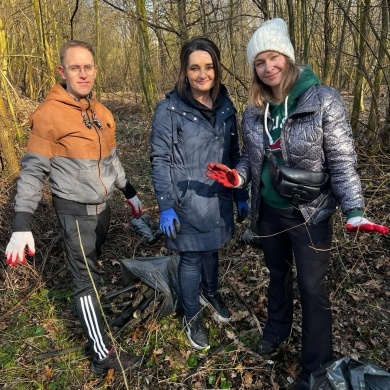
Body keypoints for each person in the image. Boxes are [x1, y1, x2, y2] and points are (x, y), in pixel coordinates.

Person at [206, 18, 388, 390]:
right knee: (277, 274)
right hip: (269, 213)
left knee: (311, 288)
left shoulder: (323, 100)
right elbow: (251, 161)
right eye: (260, 62)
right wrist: (238, 177)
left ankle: (315, 365)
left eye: (273, 58)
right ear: (254, 69)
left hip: (310, 215)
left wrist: (354, 210)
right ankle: (276, 331)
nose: (268, 67)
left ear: (287, 58)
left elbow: (341, 160)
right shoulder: (254, 109)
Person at [5, 40, 144, 375]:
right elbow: (33, 170)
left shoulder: (101, 112)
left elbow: (112, 160)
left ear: (95, 69)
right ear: (62, 71)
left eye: (88, 67)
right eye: (75, 67)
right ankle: (102, 356)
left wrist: (130, 191)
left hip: (102, 209)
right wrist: (21, 224)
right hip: (74, 211)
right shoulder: (49, 115)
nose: (83, 74)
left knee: (92, 269)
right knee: (87, 282)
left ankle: (94, 319)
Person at [150, 37, 249, 350]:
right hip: (186, 200)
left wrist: (240, 194)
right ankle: (191, 315)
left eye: (208, 67)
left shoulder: (226, 106)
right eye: (194, 68)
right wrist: (166, 205)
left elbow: (234, 153)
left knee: (214, 249)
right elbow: (160, 159)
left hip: (218, 197)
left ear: (217, 69)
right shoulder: (170, 109)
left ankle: (211, 292)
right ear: (185, 71)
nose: (202, 74)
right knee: (192, 257)